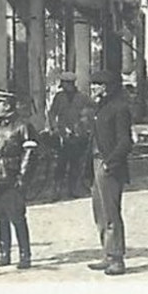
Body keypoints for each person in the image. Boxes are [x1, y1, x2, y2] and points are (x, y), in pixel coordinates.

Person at [0, 89, 38, 269]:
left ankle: (24, 255)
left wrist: (22, 177)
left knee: (17, 216)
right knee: (0, 216)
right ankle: (4, 253)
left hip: (10, 177)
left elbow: (29, 153)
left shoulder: (22, 126)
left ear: (7, 106)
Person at [87, 68, 134, 277]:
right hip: (96, 163)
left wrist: (109, 164)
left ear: (107, 87)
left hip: (109, 167)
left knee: (111, 213)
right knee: (100, 212)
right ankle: (107, 254)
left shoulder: (120, 108)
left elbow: (125, 141)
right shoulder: (100, 108)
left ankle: (117, 259)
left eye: (97, 84)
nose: (93, 88)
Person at [48, 70, 93, 199]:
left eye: (67, 83)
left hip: (78, 135)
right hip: (63, 136)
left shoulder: (82, 97)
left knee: (76, 163)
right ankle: (57, 190)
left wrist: (86, 121)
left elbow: (93, 108)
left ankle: (74, 188)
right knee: (61, 163)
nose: (65, 86)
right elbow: (52, 114)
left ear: (72, 84)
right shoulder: (59, 97)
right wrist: (54, 128)